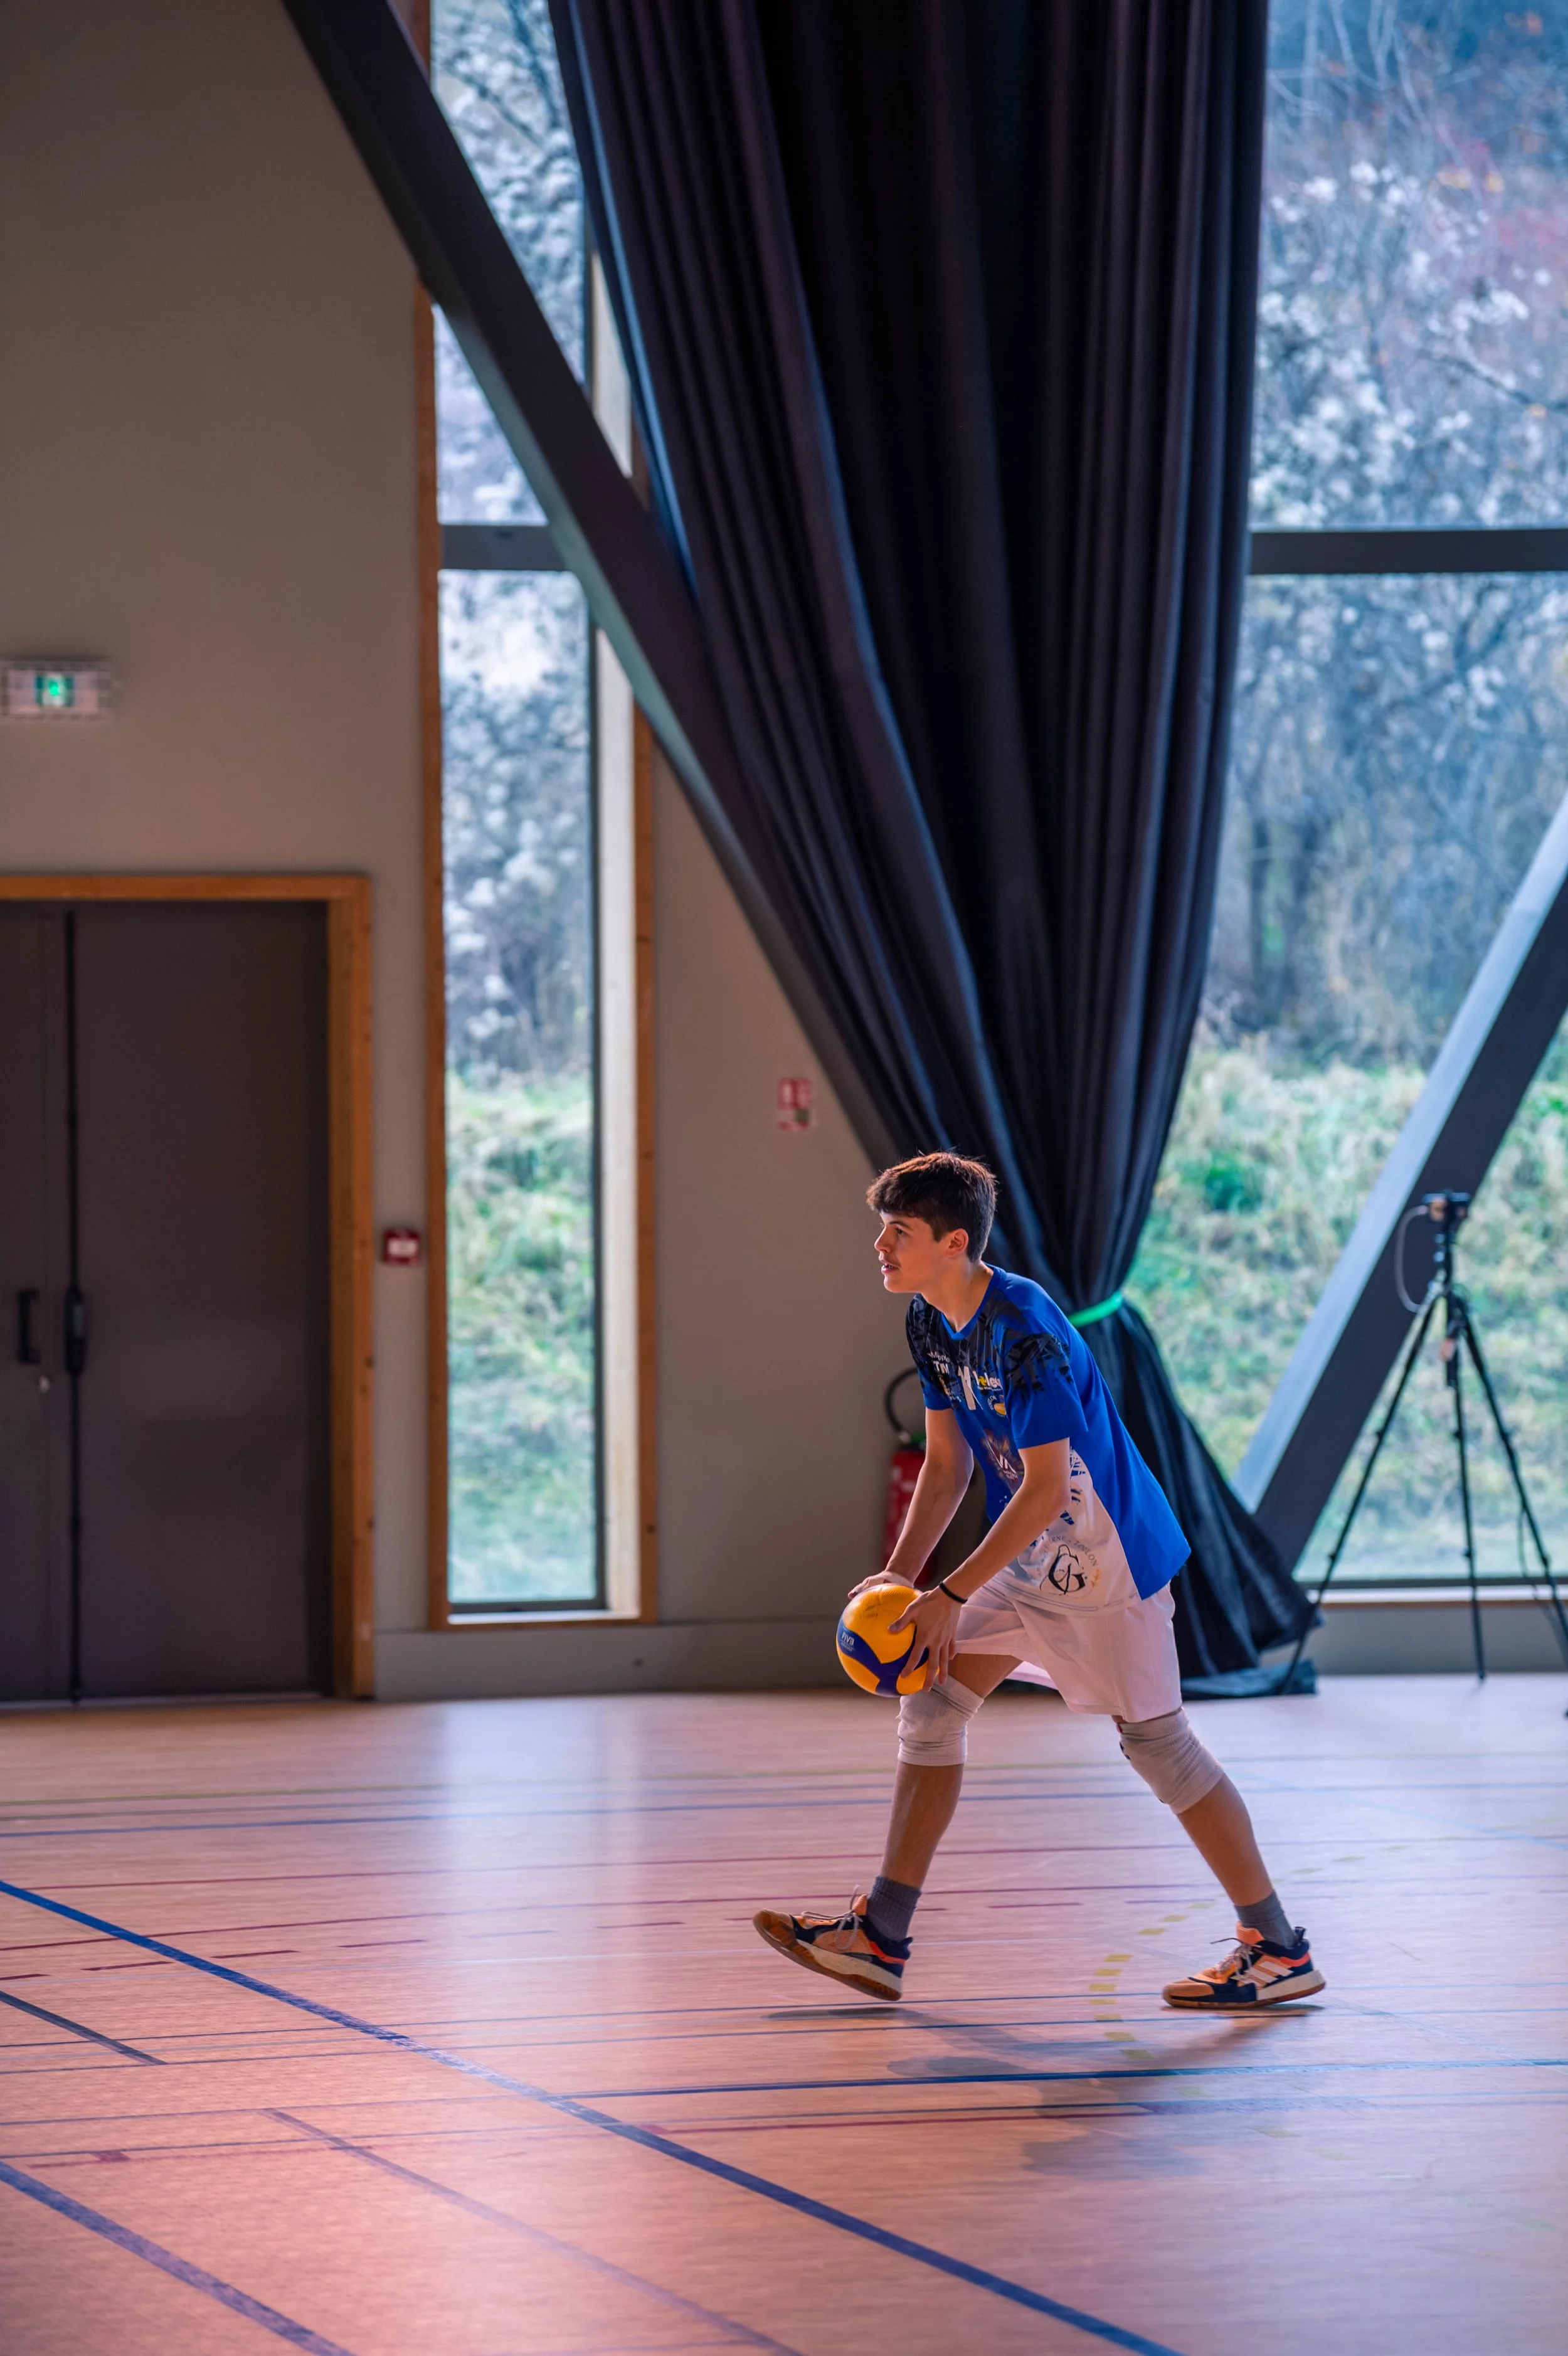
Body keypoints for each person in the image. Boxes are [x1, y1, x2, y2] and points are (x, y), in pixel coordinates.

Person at [753, 1150, 1323, 2011]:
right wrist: (899, 1585)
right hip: (1027, 1554)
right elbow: (946, 1469)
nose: (879, 1245)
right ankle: (881, 1937)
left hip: (1105, 1562)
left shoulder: (1023, 1329)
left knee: (1160, 1748)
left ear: (954, 1243)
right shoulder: (928, 1320)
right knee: (935, 1703)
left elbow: (1049, 1486)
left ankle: (1277, 1947)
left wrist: (946, 1598)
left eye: (896, 1233)